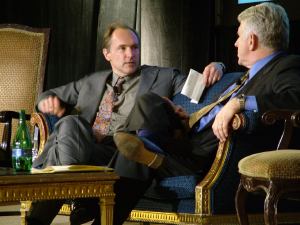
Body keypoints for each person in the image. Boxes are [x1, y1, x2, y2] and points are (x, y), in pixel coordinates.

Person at [110, 1, 300, 224]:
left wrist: (239, 103)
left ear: (252, 40)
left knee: (132, 154)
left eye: (238, 36)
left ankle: (148, 152)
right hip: (188, 136)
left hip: (202, 154)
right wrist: (186, 118)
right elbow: (216, 103)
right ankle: (148, 149)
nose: (235, 43)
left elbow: (294, 98)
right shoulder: (248, 75)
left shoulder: (286, 66)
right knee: (149, 101)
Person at [26, 22, 224, 225]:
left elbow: (200, 88)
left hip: (127, 153)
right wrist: (47, 101)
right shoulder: (91, 82)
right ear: (107, 54)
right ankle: (75, 201)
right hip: (86, 149)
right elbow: (48, 94)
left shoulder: (163, 77)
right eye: (122, 48)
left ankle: (68, 207)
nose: (130, 54)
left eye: (135, 47)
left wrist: (218, 66)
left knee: (80, 149)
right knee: (69, 123)